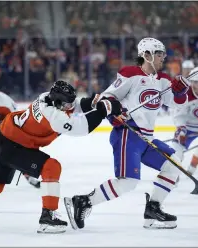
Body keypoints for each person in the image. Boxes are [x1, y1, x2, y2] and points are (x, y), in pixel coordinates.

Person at [0, 80, 122, 234]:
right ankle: (48, 217)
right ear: (58, 103)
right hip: (15, 147)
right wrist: (103, 109)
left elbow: (75, 107)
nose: (71, 106)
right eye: (67, 103)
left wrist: (91, 103)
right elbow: (81, 128)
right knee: (52, 167)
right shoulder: (54, 116)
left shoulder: (46, 98)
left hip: (7, 139)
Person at [64, 37, 190, 230]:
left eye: (163, 54)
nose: (163, 57)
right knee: (128, 182)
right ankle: (83, 202)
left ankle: (153, 209)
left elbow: (175, 103)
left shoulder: (164, 80)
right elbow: (107, 98)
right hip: (127, 134)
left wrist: (180, 92)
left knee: (173, 166)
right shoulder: (130, 74)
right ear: (146, 55)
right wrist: (114, 114)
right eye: (159, 54)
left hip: (146, 138)